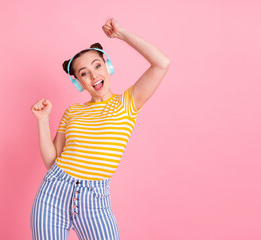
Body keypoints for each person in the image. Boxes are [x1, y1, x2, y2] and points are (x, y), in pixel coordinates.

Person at [30, 18, 170, 240]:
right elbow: (51, 161)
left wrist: (121, 34)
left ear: (107, 66)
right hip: (53, 194)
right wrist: (42, 120)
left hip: (95, 201)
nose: (94, 75)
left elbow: (162, 62)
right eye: (84, 73)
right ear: (78, 82)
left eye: (97, 66)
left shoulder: (127, 103)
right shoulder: (72, 112)